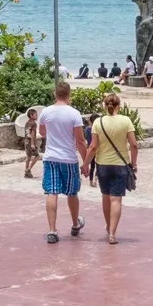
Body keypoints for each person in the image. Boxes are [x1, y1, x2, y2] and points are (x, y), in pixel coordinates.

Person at [82, 93, 138, 245]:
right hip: (121, 164)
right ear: (118, 105)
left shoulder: (97, 122)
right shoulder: (126, 121)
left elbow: (93, 147)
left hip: (102, 165)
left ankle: (108, 229)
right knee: (116, 199)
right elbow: (134, 144)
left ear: (104, 106)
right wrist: (134, 163)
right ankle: (113, 233)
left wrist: (85, 164)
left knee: (106, 197)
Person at [38, 82, 88, 244]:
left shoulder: (46, 112)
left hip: (51, 157)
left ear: (55, 94)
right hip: (68, 158)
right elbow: (80, 140)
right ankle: (75, 224)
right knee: (72, 192)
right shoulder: (74, 114)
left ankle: (52, 230)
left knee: (52, 192)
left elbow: (42, 131)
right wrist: (86, 162)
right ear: (69, 94)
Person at [84, 113, 100, 187]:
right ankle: (95, 180)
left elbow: (87, 139)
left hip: (90, 149)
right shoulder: (98, 129)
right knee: (98, 165)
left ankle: (90, 182)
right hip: (98, 149)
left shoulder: (87, 129)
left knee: (92, 166)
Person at [24, 108, 40, 179]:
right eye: (35, 115)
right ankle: (28, 169)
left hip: (26, 141)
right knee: (37, 156)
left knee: (28, 157)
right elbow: (33, 134)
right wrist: (32, 143)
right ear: (31, 115)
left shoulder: (27, 123)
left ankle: (26, 172)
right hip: (30, 141)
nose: (37, 116)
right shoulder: (34, 123)